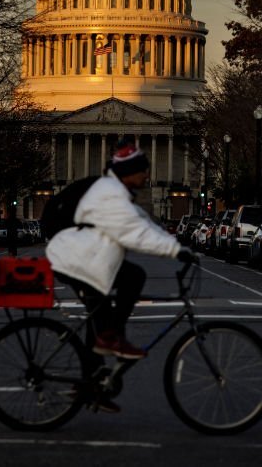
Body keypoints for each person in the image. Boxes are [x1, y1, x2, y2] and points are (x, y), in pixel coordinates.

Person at [46, 137, 197, 364]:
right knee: (133, 277)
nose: (147, 176)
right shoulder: (110, 194)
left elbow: (143, 222)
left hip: (81, 256)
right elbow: (135, 232)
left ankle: (93, 380)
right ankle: (109, 343)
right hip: (74, 258)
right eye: (143, 171)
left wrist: (171, 241)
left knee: (101, 317)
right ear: (130, 171)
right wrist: (176, 251)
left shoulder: (117, 192)